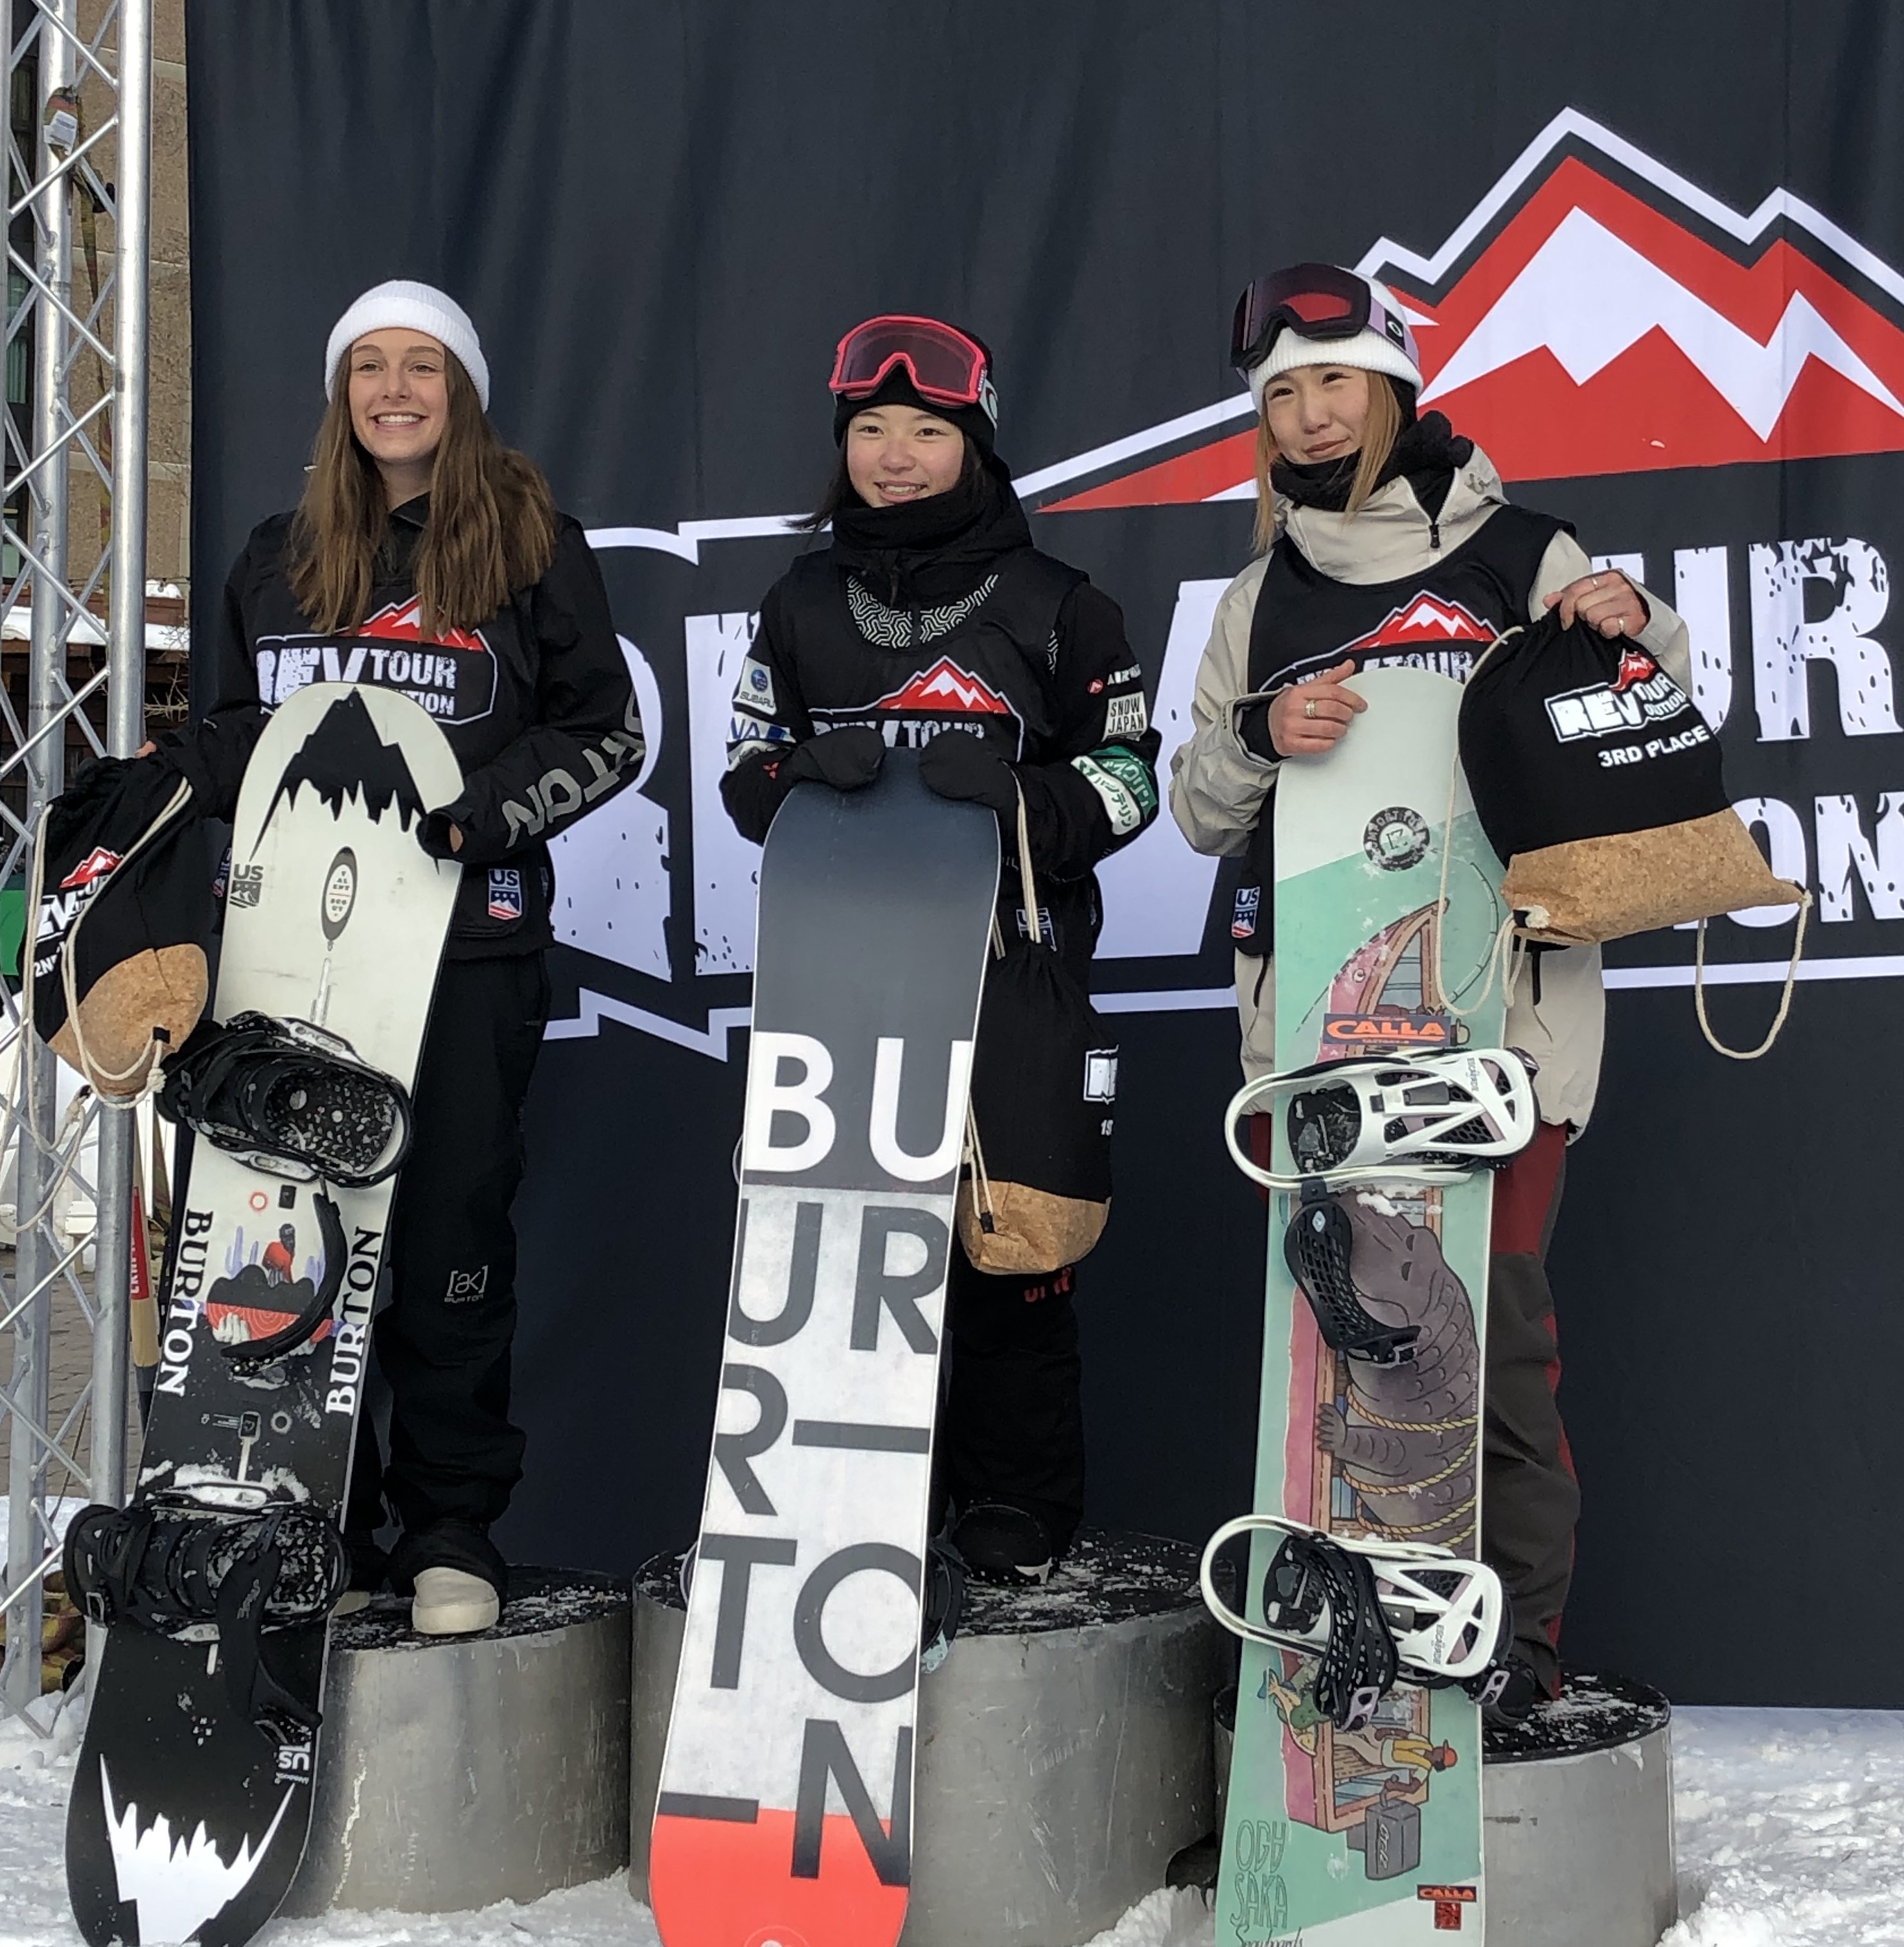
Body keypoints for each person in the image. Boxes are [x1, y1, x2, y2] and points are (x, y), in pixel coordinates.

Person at [1168, 264, 1692, 1721]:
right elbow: (1198, 811)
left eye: (1333, 381)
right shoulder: (1256, 594)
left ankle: (1507, 1660)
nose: (1309, 414)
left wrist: (1625, 614)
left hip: (1497, 1026)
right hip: (1318, 1041)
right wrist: (1261, 737)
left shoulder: (1516, 547)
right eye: (1279, 394)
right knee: (1338, 1368)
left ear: (1390, 386)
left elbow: (1648, 707)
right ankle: (1348, 1670)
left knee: (1489, 1351)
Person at [152, 280, 644, 1634]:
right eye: (366, 366)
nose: (392, 389)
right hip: (285, 967)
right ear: (339, 392)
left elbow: (610, 734)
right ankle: (305, 1517)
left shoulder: (533, 543)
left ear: (461, 388)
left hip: (463, 952)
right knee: (284, 1236)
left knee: (442, 1243)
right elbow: (233, 747)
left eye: (420, 365)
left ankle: (448, 1534)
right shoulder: (273, 552)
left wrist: (489, 814)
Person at [720, 314, 1160, 1583]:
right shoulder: (798, 604)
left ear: (974, 443)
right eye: (870, 431)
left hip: (1006, 974)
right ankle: (848, 1495)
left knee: (1010, 1248)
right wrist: (806, 775)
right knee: (845, 1249)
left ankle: (1010, 1506)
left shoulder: (1061, 608)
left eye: (924, 431)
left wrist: (1031, 799)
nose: (895, 455)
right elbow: (746, 778)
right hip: (840, 976)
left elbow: (1129, 778)